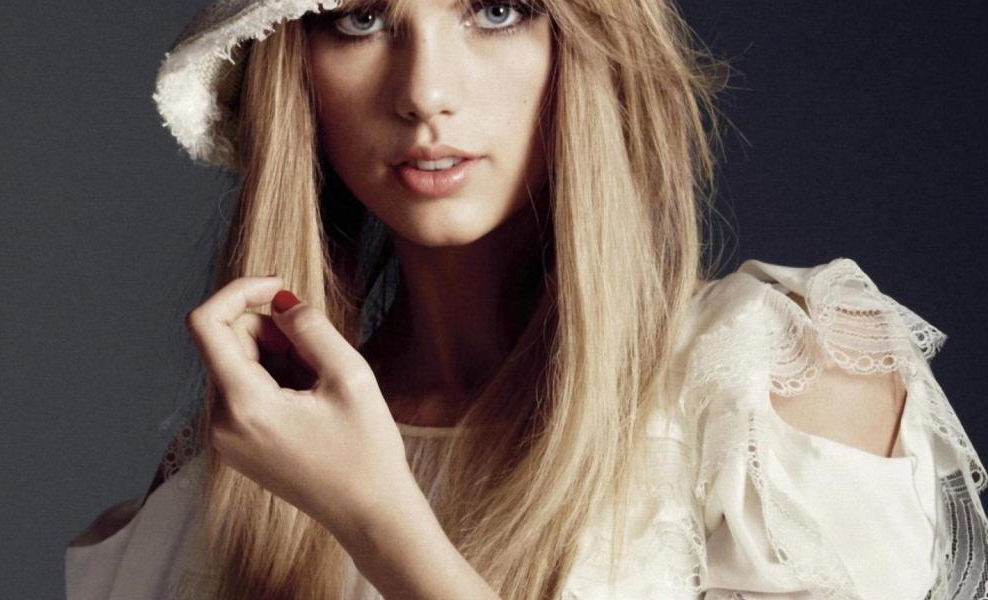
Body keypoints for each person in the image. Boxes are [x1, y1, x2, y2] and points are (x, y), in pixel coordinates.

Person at [64, 0, 987, 598]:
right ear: (292, 71)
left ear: (586, 40)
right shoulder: (242, 463)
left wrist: (379, 520)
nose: (425, 93)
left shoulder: (776, 387)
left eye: (496, 9)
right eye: (359, 19)